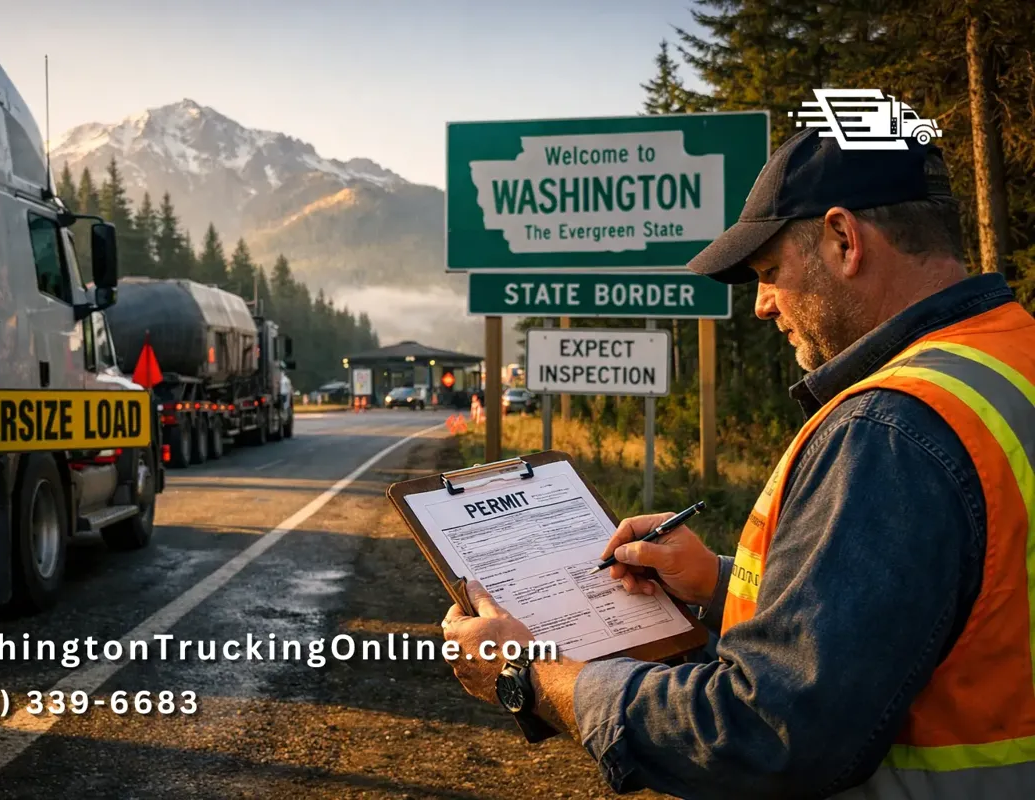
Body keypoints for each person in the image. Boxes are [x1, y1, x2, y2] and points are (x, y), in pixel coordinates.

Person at [441, 127, 1035, 798]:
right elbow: (954, 600)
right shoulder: (1008, 359)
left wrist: (530, 673)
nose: (759, 305)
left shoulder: (890, 428)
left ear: (844, 240)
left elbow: (766, 733)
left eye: (769, 274)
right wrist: (718, 584)